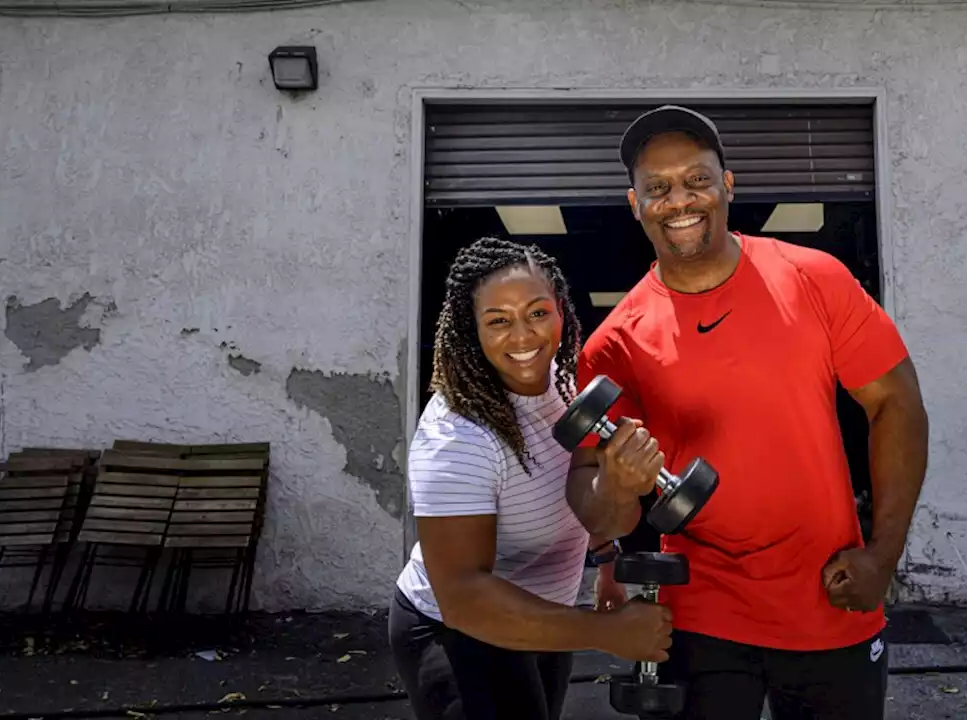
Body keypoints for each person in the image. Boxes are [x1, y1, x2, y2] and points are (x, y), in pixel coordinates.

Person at [566, 106, 931, 720]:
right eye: (657, 188)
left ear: (728, 186)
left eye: (696, 180)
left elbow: (897, 404)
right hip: (698, 618)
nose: (679, 200)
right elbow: (598, 509)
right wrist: (617, 487)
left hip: (829, 602)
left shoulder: (814, 279)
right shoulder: (615, 343)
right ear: (635, 203)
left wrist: (883, 555)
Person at [389, 237, 674, 720]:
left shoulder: (569, 389)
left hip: (545, 617)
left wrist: (608, 555)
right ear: (471, 330)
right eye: (498, 320)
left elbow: (588, 500)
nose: (523, 336)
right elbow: (464, 598)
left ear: (561, 310)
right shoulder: (455, 435)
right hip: (456, 629)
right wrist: (607, 633)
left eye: (538, 313)